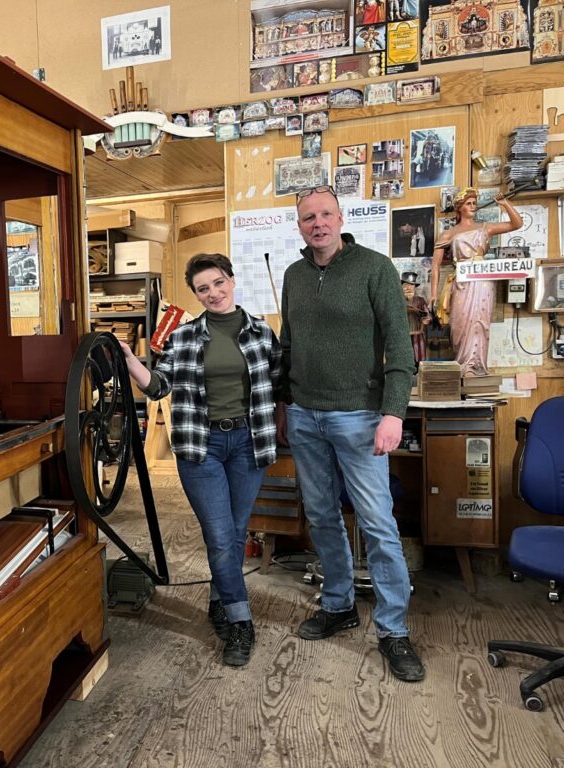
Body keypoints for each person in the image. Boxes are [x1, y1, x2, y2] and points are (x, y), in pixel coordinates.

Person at [277, 186, 424, 682]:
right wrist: (284, 404)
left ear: (340, 218)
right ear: (299, 226)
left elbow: (401, 350)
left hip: (360, 417)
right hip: (305, 417)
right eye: (307, 218)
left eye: (324, 214)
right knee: (321, 517)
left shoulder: (374, 268)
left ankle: (393, 630)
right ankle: (338, 604)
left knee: (378, 523)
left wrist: (393, 413)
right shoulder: (295, 276)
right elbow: (288, 344)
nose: (316, 224)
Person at [120, 253, 282, 668]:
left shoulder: (263, 333)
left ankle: (219, 601)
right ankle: (241, 621)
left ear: (231, 280)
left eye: (218, 283)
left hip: (248, 445)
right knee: (220, 535)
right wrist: (131, 362)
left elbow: (280, 385)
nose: (213, 293)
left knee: (235, 531)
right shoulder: (185, 336)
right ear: (196, 294)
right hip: (201, 447)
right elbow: (159, 387)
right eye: (202, 289)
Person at [431, 188, 522, 377]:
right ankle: (463, 366)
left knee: (481, 322)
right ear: (459, 208)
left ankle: (477, 366)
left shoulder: (485, 228)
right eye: (468, 203)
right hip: (462, 282)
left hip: (482, 282)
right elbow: (436, 266)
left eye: (474, 203)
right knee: (460, 324)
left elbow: (516, 224)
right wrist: (433, 295)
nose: (473, 206)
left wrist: (505, 203)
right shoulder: (449, 234)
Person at [401, 271, 431, 366]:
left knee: (419, 357)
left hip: (418, 335)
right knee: (404, 358)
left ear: (415, 287)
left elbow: (428, 315)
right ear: (401, 286)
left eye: (411, 285)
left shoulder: (420, 301)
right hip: (403, 335)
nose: (408, 288)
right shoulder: (398, 300)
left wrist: (427, 319)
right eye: (406, 285)